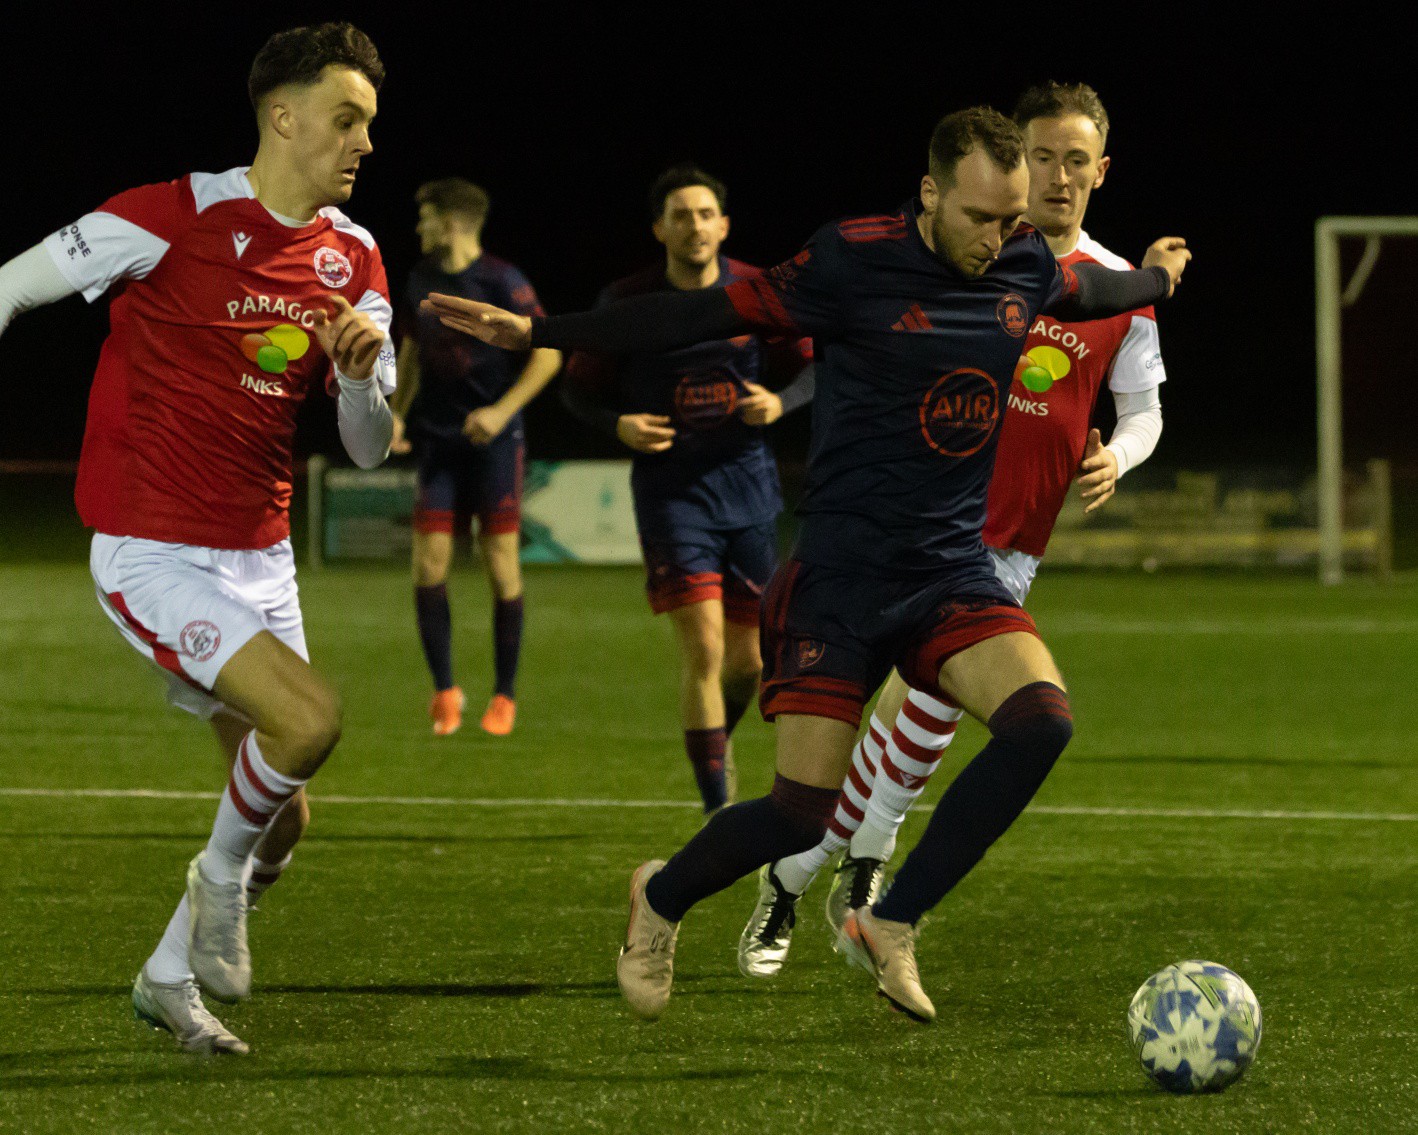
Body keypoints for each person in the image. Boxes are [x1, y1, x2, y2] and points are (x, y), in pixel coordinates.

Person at [424, 106, 1190, 1024]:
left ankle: (892, 919)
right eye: (983, 217)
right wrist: (540, 334)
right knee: (798, 815)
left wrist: (1157, 278)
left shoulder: (1025, 261)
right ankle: (661, 896)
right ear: (930, 192)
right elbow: (695, 313)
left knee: (1042, 723)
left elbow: (1094, 296)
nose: (1002, 238)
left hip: (951, 571)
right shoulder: (849, 261)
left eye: (1014, 218)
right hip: (842, 578)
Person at [0, 22, 395, 1054]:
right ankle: (215, 880)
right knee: (309, 721)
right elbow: (9, 288)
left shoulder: (354, 258)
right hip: (152, 549)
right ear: (284, 116)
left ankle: (168, 973)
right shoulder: (168, 216)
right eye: (346, 119)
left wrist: (358, 376)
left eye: (369, 124)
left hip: (260, 556)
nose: (362, 142)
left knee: (288, 814)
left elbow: (364, 449)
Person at [738, 80, 1168, 979]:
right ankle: (829, 874)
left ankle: (819, 877)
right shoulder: (967, 251)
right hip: (906, 529)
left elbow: (1143, 411)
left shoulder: (1115, 289)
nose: (1057, 176)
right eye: (1041, 156)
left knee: (919, 726)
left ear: (1100, 170)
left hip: (1002, 547)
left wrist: (1119, 457)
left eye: (1074, 161)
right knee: (887, 730)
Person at [560, 166, 813, 814]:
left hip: (749, 491)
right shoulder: (627, 302)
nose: (694, 225)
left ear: (723, 225)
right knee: (701, 647)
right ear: (659, 228)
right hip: (673, 496)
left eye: (705, 213)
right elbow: (576, 388)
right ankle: (713, 811)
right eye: (681, 214)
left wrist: (778, 403)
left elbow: (812, 373)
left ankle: (714, 742)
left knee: (749, 664)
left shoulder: (760, 292)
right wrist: (617, 422)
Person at [390, 179, 561, 737]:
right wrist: (397, 412)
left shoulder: (502, 282)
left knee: (501, 568)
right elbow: (412, 351)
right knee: (428, 567)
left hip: (494, 446)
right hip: (439, 443)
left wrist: (501, 411)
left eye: (426, 217)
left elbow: (549, 354)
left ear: (454, 223)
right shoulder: (420, 280)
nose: (418, 228)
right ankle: (444, 690)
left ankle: (505, 694)